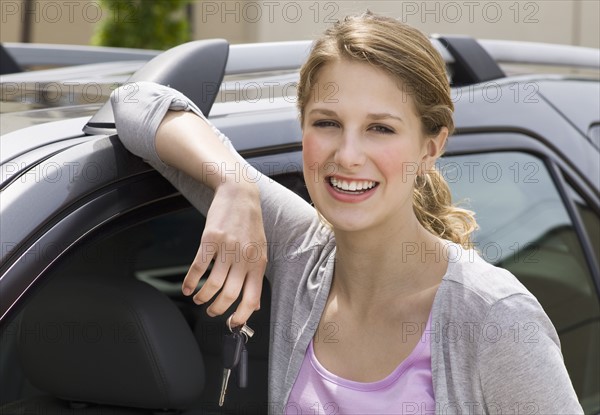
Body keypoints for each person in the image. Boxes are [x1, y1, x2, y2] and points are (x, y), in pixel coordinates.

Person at [112, 12, 583, 415]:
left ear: (430, 146)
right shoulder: (302, 252)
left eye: (380, 128)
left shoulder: (495, 320)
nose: (349, 154)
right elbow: (134, 104)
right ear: (302, 127)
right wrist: (234, 184)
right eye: (327, 123)